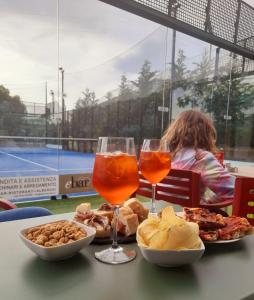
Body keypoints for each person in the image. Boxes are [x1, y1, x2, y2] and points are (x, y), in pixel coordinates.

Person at [161, 110, 235, 204]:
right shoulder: (201, 158)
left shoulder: (164, 156)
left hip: (162, 213)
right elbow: (234, 191)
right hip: (189, 215)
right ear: (206, 133)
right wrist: (209, 201)